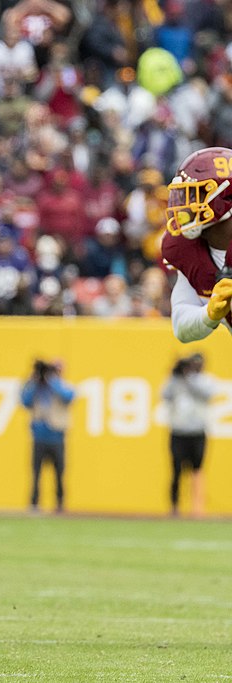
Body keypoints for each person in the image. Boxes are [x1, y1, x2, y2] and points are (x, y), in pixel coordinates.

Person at [162, 147, 232, 343]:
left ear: (226, 198)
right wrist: (209, 313)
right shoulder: (186, 248)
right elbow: (181, 326)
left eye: (194, 195)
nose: (184, 205)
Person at [161, 354, 215, 518]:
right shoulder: (176, 381)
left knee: (197, 469)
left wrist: (189, 377)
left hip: (197, 431)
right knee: (176, 470)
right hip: (178, 431)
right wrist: (174, 374)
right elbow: (165, 394)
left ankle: (197, 508)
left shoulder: (204, 380)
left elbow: (207, 393)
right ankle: (174, 507)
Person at [20, 359, 75, 513]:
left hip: (57, 436)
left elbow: (68, 396)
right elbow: (24, 400)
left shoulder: (63, 385)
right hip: (39, 436)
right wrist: (33, 380)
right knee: (36, 473)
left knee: (59, 473)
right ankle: (34, 504)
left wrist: (52, 381)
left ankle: (60, 504)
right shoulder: (36, 388)